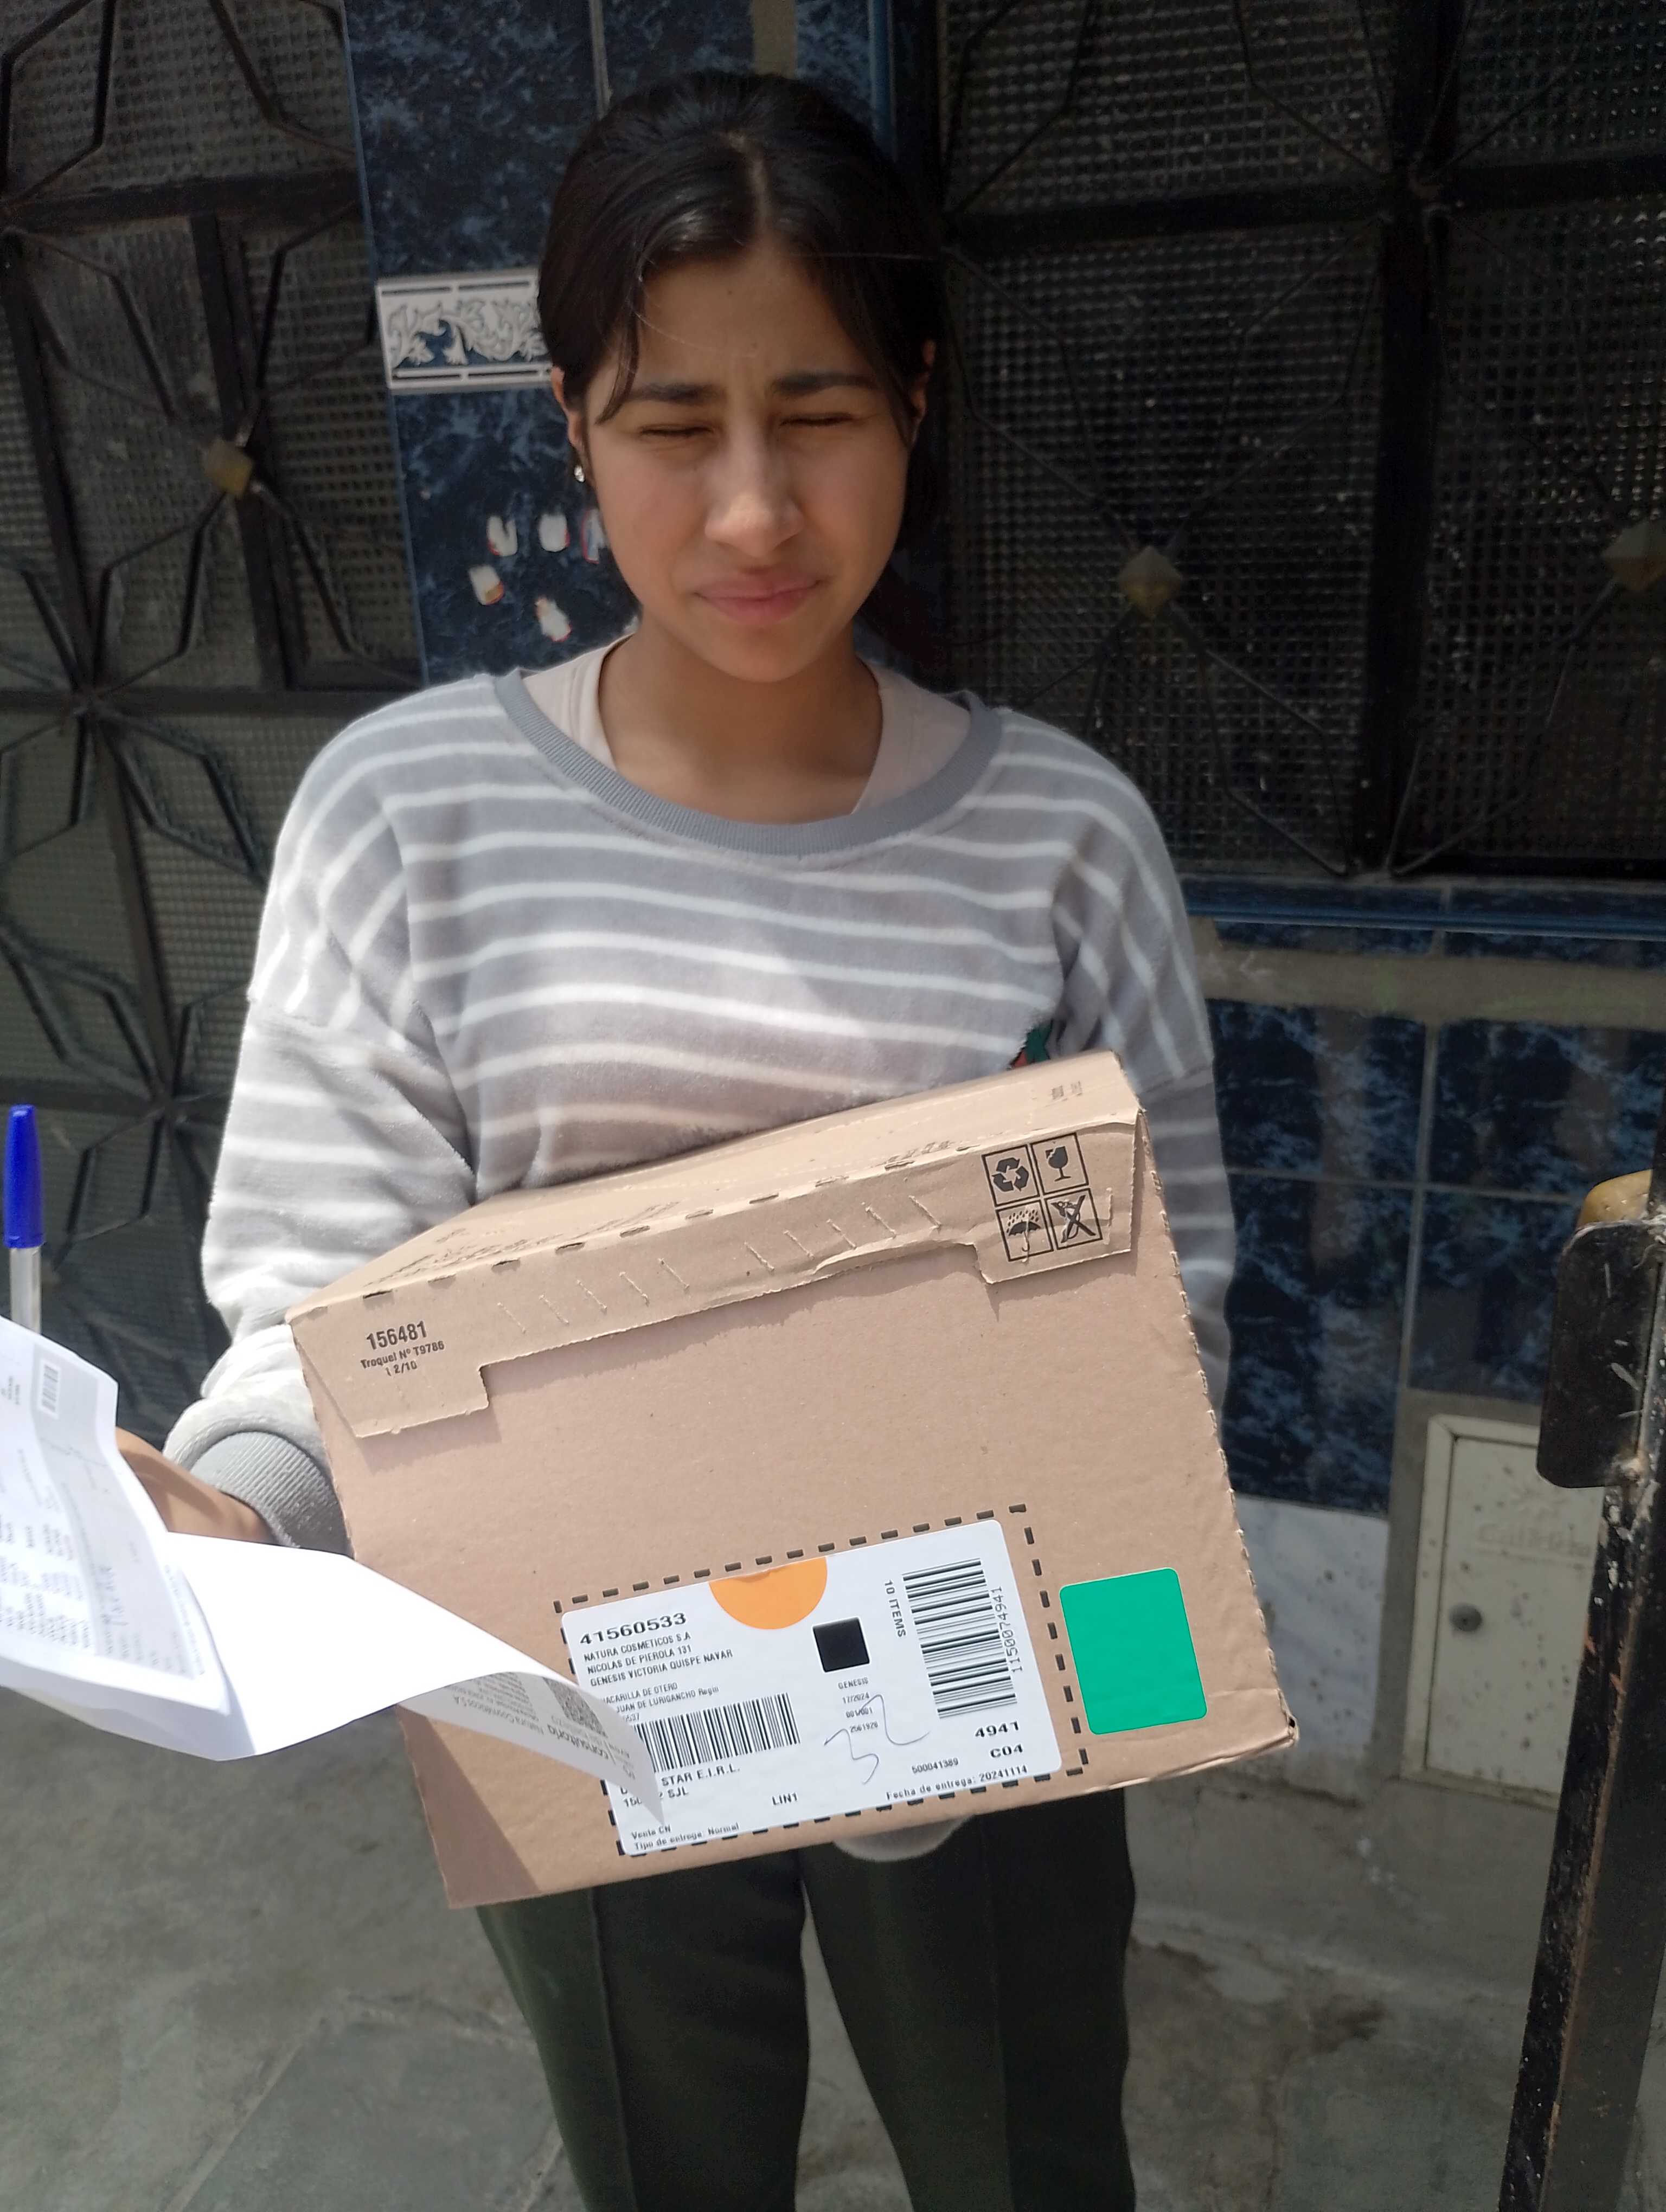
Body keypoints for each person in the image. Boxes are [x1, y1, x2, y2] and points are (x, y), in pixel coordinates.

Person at [123, 70, 1234, 2212]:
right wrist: (241, 1511)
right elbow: (333, 1307)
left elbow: (1163, 1298)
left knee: (1028, 2153)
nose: (751, 512)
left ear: (917, 401)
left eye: (818, 413)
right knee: (662, 2164)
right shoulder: (406, 821)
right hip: (565, 1683)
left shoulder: (1063, 836)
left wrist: (1005, 1590)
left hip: (991, 1682)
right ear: (569, 422)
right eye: (669, 424)